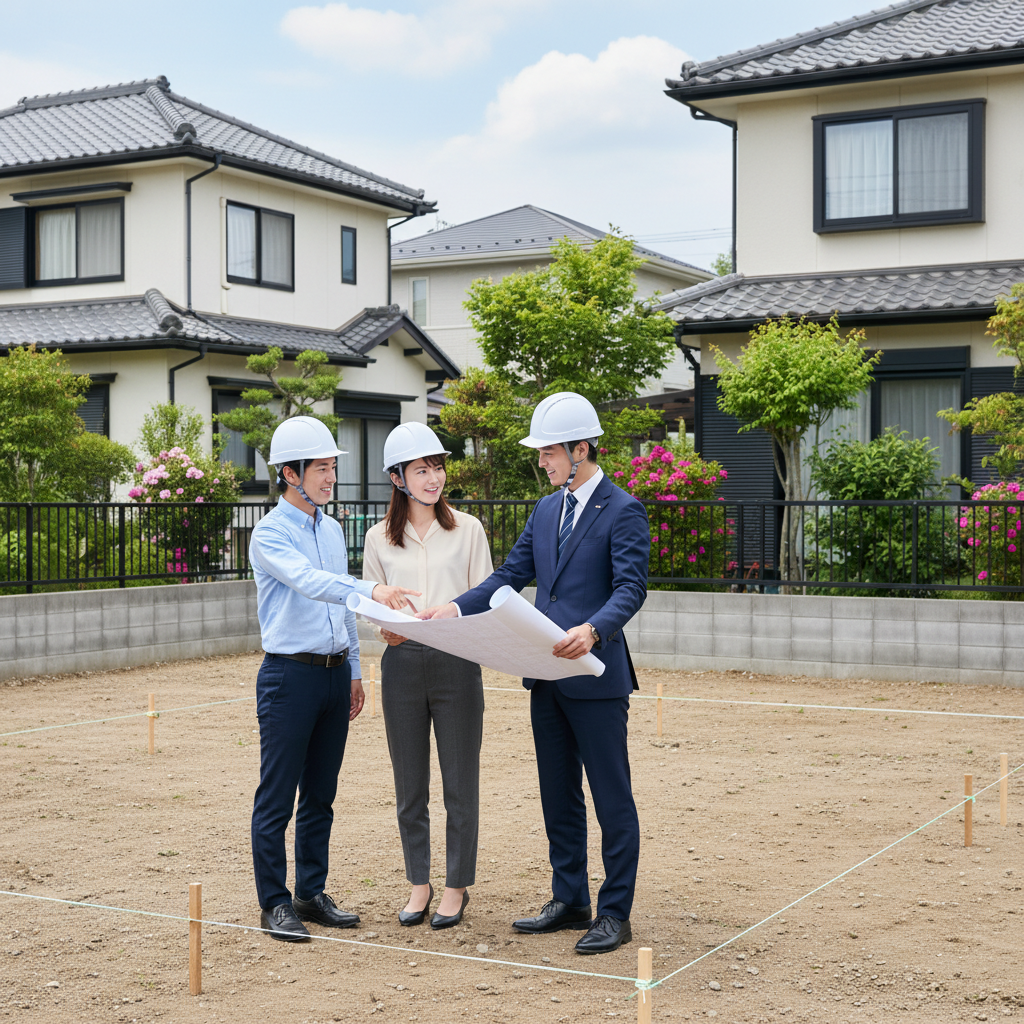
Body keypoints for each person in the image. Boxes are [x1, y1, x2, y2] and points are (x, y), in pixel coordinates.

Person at [419, 392, 649, 955]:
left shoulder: (623, 509)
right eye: (541, 452)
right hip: (545, 676)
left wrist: (593, 629)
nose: (542, 461)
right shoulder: (547, 510)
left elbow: (630, 587)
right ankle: (570, 899)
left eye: (549, 451)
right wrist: (454, 609)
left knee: (611, 797)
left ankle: (614, 912)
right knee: (557, 795)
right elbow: (509, 574)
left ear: (581, 449)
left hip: (595, 676)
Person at [248, 415, 419, 943]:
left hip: (331, 674)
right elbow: (311, 582)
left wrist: (353, 670)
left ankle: (310, 891)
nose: (331, 477)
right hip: (288, 676)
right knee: (277, 796)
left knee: (321, 793)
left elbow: (340, 606)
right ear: (290, 473)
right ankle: (275, 902)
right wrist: (371, 589)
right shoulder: (270, 532)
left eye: (331, 467)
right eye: (321, 468)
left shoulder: (329, 527)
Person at [362, 422, 494, 929]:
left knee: (461, 783)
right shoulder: (377, 537)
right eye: (421, 470)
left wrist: (455, 615)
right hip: (400, 665)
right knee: (409, 784)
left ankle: (456, 886)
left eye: (437, 467)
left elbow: (485, 598)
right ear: (398, 478)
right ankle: (419, 883)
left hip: (456, 662)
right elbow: (371, 604)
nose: (434, 478)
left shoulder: (469, 529)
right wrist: (384, 629)